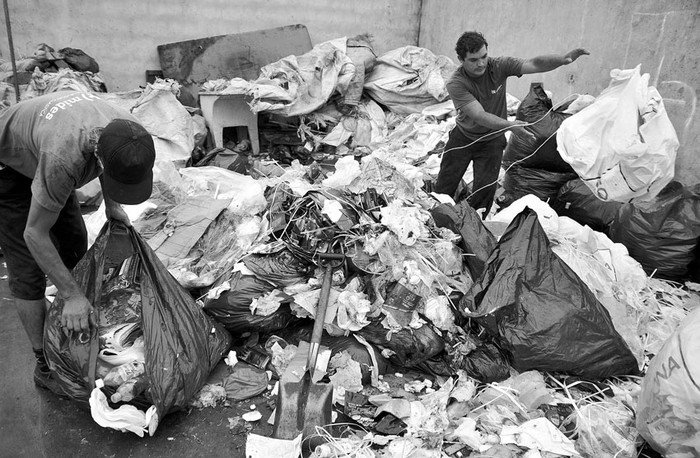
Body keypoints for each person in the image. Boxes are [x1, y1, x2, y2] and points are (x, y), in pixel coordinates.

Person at [0, 90, 155, 390]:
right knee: (28, 267)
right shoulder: (63, 156)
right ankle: (44, 366)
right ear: (97, 155)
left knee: (74, 242)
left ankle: (72, 335)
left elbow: (107, 163)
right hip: (9, 168)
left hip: (49, 147)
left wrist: (112, 205)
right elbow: (34, 234)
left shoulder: (130, 133)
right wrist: (71, 296)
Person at [434, 31, 589, 217]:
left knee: (484, 192)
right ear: (460, 59)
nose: (481, 63)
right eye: (473, 60)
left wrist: (562, 59)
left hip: (492, 141)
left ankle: (473, 228)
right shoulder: (456, 83)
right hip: (464, 138)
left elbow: (534, 63)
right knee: (444, 187)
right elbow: (479, 115)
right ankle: (437, 221)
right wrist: (511, 125)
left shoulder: (499, 66)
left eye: (484, 57)